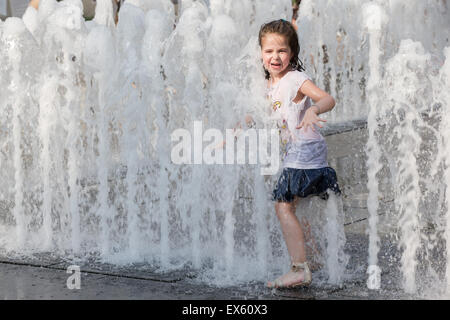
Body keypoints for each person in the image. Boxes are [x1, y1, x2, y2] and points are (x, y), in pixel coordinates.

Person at [257, 19, 341, 288]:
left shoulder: (295, 78)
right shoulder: (271, 83)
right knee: (295, 207)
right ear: (260, 53)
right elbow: (264, 111)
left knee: (283, 207)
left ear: (292, 52)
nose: (275, 57)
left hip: (305, 153)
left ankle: (299, 268)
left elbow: (327, 98)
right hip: (298, 153)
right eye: (269, 51)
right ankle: (312, 258)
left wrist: (314, 110)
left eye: (281, 51)